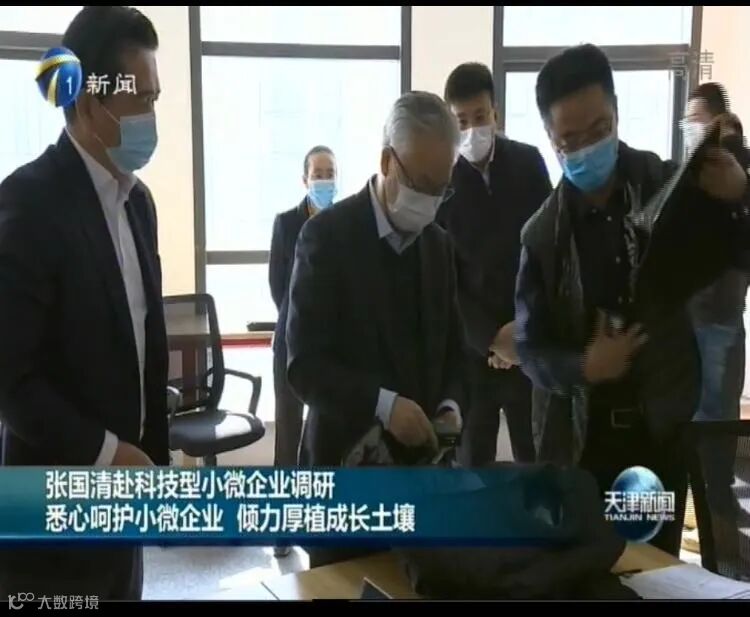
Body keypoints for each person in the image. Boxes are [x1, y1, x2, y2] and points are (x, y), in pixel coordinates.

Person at [514, 44, 749, 556]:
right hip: (586, 443)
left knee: (656, 566)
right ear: (551, 139)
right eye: (570, 140)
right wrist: (584, 366)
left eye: (598, 130)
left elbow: (733, 255)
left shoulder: (665, 185)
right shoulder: (542, 236)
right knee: (587, 567)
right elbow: (530, 350)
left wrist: (739, 196)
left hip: (659, 432)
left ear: (617, 114)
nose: (586, 147)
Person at [0, 6, 167, 598]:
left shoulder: (138, 203)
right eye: (140, 99)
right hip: (53, 521)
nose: (152, 116)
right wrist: (107, 454)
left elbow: (140, 343)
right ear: (92, 102)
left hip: (124, 511)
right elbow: (10, 380)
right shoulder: (29, 203)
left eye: (156, 98)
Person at [286, 91, 467, 567]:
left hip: (421, 485)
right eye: (421, 184)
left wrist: (450, 405)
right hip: (345, 481)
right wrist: (385, 406)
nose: (430, 201)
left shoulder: (438, 246)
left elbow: (453, 347)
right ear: (387, 161)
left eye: (442, 188)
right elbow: (304, 366)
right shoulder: (326, 237)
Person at [438, 62, 552, 466]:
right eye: (461, 121)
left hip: (530, 345)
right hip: (474, 354)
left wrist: (521, 331)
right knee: (474, 464)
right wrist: (490, 337)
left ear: (496, 113)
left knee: (535, 459)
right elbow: (443, 277)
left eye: (480, 116)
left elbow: (548, 251)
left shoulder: (529, 163)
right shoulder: (442, 182)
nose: (473, 129)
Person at [268, 145, 337, 558]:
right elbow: (278, 286)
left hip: (332, 349)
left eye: (330, 173)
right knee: (289, 437)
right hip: (291, 344)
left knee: (324, 437)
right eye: (318, 173)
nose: (325, 180)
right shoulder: (286, 222)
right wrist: (303, 324)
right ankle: (281, 529)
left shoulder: (344, 223)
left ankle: (317, 526)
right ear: (305, 178)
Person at [683, 83, 749, 423]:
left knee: (714, 417)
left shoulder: (730, 169)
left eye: (696, 118)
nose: (689, 127)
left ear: (717, 121)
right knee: (701, 411)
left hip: (718, 313)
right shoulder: (696, 170)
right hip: (696, 313)